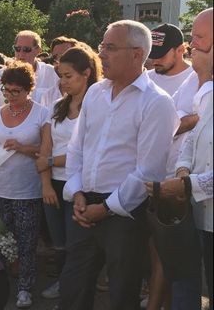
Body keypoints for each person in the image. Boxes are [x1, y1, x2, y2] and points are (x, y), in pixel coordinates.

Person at [60, 20, 178, 310]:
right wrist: (76, 193)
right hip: (84, 207)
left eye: (110, 48)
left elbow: (148, 171)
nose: (101, 55)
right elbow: (77, 148)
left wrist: (106, 209)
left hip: (124, 215)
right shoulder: (95, 93)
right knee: (72, 290)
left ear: (137, 54)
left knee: (121, 295)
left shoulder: (156, 103)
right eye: (102, 46)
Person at [145, 7, 213, 310]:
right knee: (185, 279)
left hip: (198, 204)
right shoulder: (204, 88)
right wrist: (184, 170)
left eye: (199, 38)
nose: (194, 44)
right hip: (194, 210)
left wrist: (185, 186)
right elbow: (194, 137)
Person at [34, 46, 102, 301]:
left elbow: (83, 152)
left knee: (77, 244)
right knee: (59, 241)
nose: (63, 82)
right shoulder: (56, 108)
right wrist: (46, 184)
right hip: (54, 182)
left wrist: (50, 161)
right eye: (60, 76)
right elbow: (45, 150)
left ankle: (75, 292)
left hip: (81, 186)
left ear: (86, 74)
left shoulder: (95, 108)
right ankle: (64, 286)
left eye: (68, 76)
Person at [0, 61, 51, 308]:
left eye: (16, 92)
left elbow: (47, 151)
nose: (10, 96)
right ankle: (3, 284)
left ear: (28, 89)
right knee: (1, 239)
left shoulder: (42, 113)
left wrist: (24, 148)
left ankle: (25, 286)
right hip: (0, 188)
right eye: (6, 91)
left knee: (26, 242)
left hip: (28, 190)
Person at [0, 31, 59, 111]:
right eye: (17, 49)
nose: (21, 53)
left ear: (38, 51)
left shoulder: (52, 73)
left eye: (27, 49)